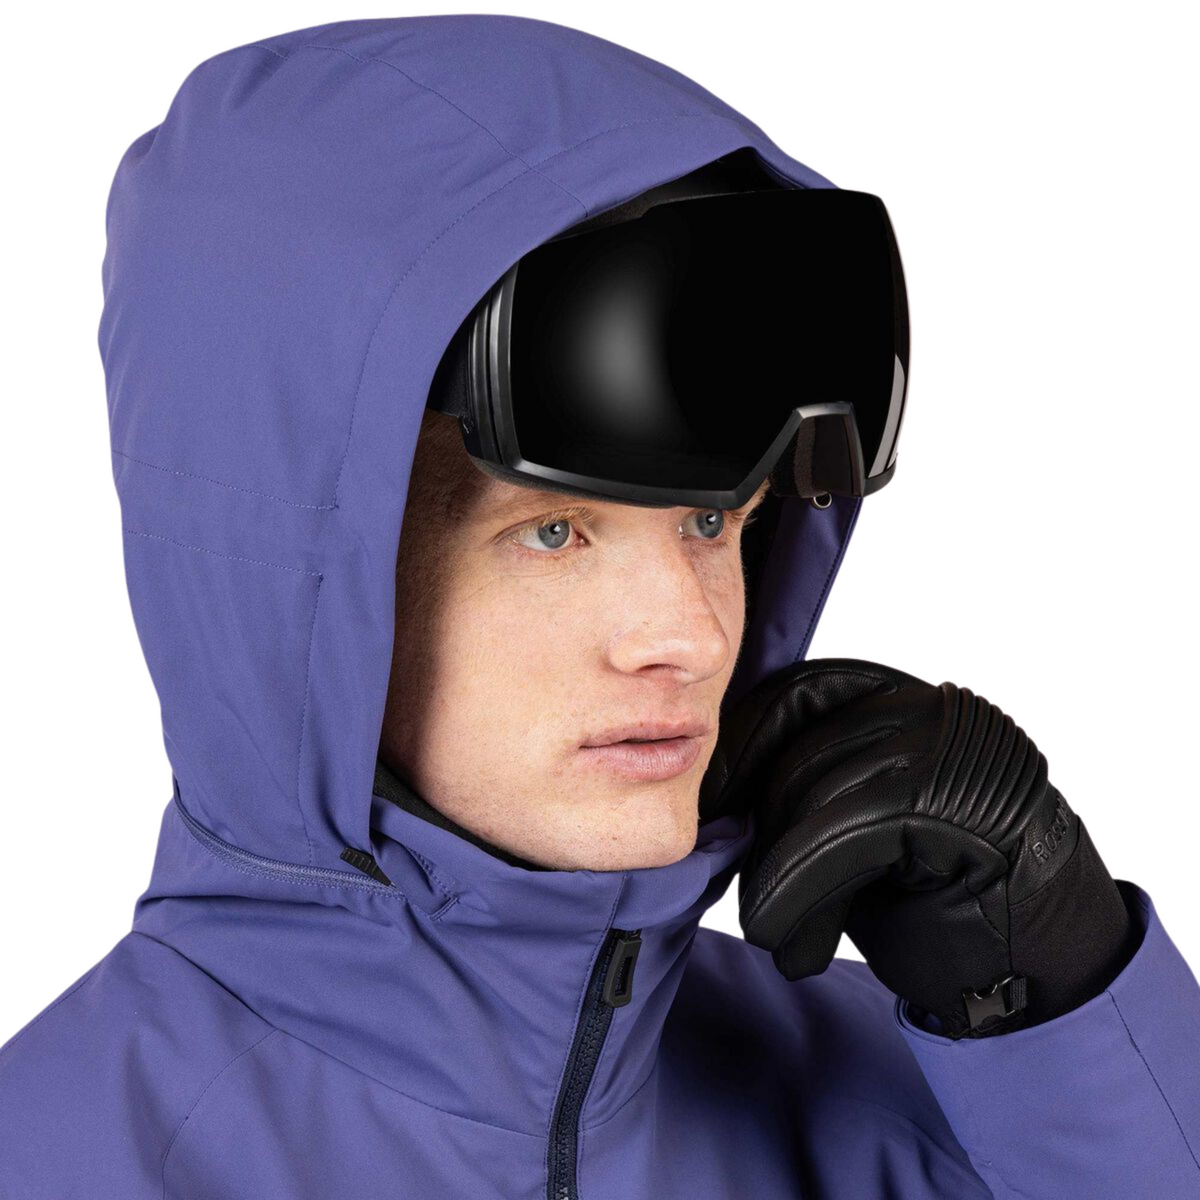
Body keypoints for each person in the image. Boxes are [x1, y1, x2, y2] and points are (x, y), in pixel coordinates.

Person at [2, 14, 1197, 1198]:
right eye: (554, 533)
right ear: (292, 588)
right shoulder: (61, 1159)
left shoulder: (950, 1101)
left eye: (713, 523)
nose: (692, 637)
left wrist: (1061, 1003)